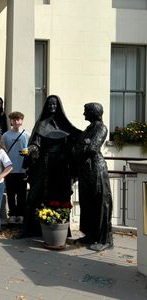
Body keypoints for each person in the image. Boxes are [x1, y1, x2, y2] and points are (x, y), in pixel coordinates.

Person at [22, 95, 80, 237]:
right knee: (35, 195)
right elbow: (36, 143)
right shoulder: (41, 124)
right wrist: (30, 150)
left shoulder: (65, 125)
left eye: (54, 104)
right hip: (44, 163)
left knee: (59, 196)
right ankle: (31, 229)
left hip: (60, 165)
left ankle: (59, 231)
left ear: (58, 106)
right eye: (49, 104)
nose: (52, 107)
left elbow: (74, 142)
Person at [74, 102, 113, 251]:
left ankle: (105, 239)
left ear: (93, 112)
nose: (84, 114)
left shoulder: (101, 128)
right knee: (87, 203)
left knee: (101, 203)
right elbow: (78, 147)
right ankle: (91, 235)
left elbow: (92, 148)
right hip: (85, 169)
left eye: (86, 111)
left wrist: (83, 144)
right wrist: (83, 144)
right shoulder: (88, 129)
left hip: (96, 168)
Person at [2, 111, 30, 224]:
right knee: (10, 193)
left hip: (22, 169)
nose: (16, 121)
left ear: (22, 121)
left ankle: (21, 214)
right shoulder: (6, 135)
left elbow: (31, 150)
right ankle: (12, 214)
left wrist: (27, 153)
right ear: (11, 121)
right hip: (10, 169)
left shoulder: (26, 135)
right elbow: (3, 152)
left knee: (22, 193)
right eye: (14, 120)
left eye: (18, 119)